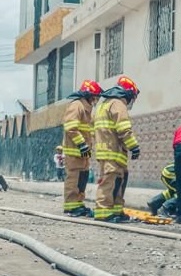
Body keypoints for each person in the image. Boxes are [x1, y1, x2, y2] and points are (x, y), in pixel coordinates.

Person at [92, 75, 141, 223]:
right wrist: (134, 146)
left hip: (107, 151)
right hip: (112, 151)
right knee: (109, 181)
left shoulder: (104, 105)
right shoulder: (118, 103)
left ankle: (116, 211)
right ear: (128, 94)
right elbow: (123, 128)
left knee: (117, 181)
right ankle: (103, 211)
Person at [60, 79, 101, 217]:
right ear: (88, 95)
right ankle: (71, 206)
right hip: (74, 152)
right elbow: (70, 127)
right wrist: (82, 144)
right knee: (74, 178)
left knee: (82, 178)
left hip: (83, 153)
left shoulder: (86, 109)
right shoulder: (76, 105)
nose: (96, 100)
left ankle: (78, 203)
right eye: (95, 97)